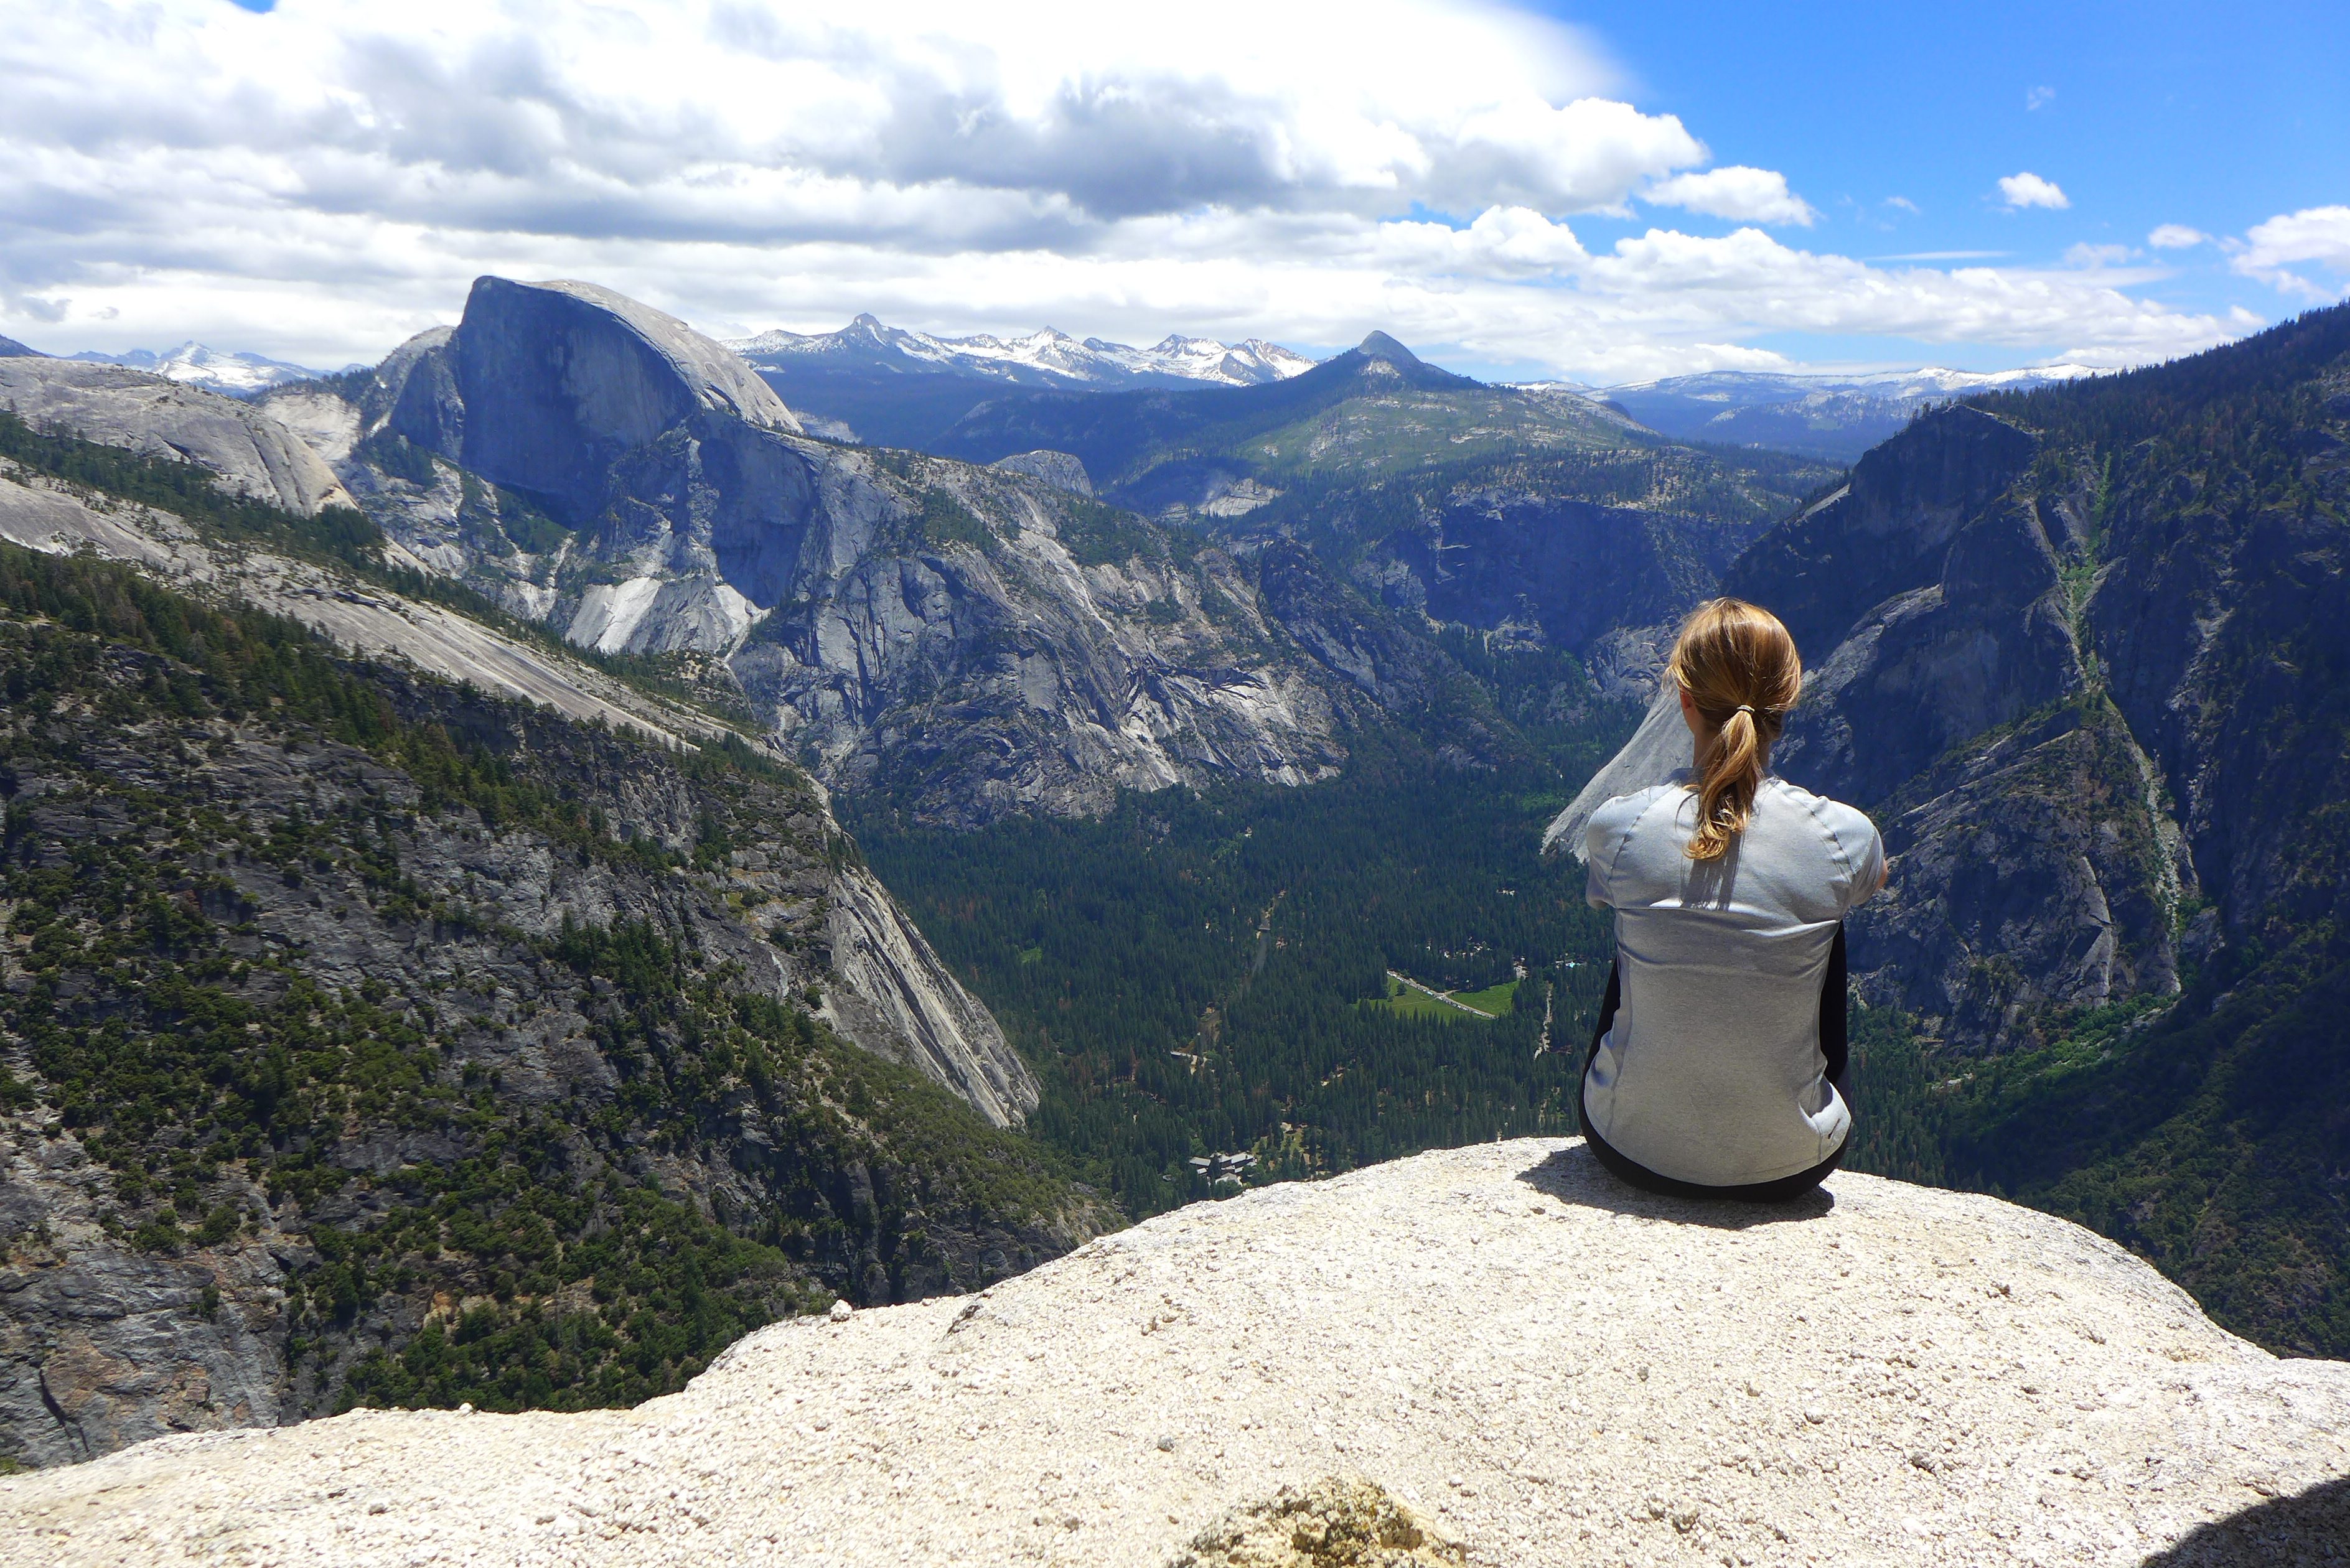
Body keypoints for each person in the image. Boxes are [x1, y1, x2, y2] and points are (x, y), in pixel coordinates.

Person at [1578, 597, 1886, 1202]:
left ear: (1684, 701)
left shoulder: (1620, 827)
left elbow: (1610, 888)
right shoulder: (1843, 836)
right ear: (1785, 704)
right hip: (1793, 1164)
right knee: (1826, 916)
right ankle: (1782, 1115)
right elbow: (1876, 879)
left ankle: (1647, 1092)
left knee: (1641, 922)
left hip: (1629, 1147)